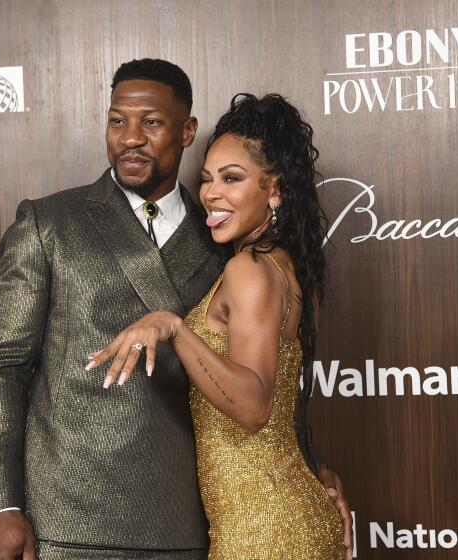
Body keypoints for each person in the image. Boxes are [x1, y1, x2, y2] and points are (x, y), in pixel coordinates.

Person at [0, 59, 351, 560]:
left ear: (187, 131)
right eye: (117, 121)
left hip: (187, 528)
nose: (130, 138)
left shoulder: (226, 237)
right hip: (67, 523)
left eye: (151, 123)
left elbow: (268, 373)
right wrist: (0, 505)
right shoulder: (49, 224)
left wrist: (311, 462)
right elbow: (5, 366)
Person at [89, 93, 347, 559]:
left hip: (263, 534)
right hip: (285, 519)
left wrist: (174, 327)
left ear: (275, 189)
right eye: (207, 179)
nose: (211, 194)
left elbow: (254, 406)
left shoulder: (249, 269)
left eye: (232, 178)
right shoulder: (284, 267)